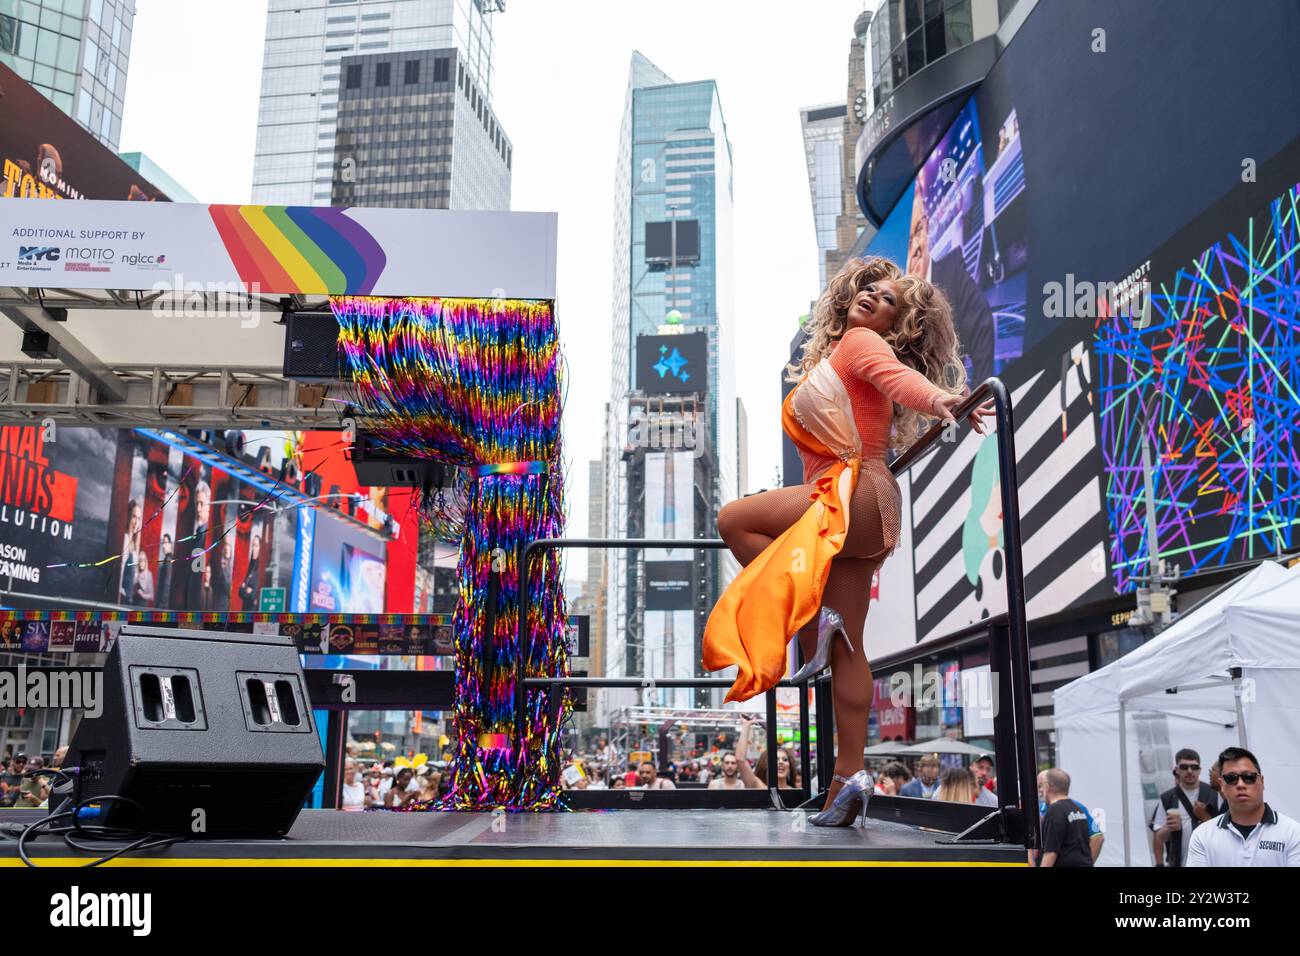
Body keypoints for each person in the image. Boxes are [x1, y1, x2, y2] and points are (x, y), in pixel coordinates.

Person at [704, 256, 992, 828]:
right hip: (870, 512)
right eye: (868, 289)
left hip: (852, 495)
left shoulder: (862, 343)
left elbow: (897, 378)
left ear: (897, 323)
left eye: (888, 300)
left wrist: (940, 400)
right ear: (849, 295)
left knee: (734, 518)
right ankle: (848, 777)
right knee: (849, 649)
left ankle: (809, 612)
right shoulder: (846, 352)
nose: (872, 299)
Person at [906, 184, 996, 385]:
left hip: (951, 407)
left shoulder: (952, 272)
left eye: (918, 231)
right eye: (907, 241)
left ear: (927, 226)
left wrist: (980, 397)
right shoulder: (893, 302)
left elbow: (983, 325)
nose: (915, 248)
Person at [1188, 747, 1300, 867]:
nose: (1240, 784)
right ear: (1221, 785)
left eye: (1248, 777)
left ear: (1262, 782)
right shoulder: (1202, 835)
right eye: (1231, 778)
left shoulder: (1292, 832)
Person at [1151, 748, 1221, 867]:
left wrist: (1205, 817)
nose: (1189, 771)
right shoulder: (1167, 798)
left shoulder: (1215, 794)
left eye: (1194, 767)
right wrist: (1169, 828)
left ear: (1200, 770)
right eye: (1184, 767)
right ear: (1177, 770)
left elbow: (1225, 831)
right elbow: (1158, 837)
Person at [1035, 770, 1104, 864]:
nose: (1040, 790)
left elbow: (1051, 853)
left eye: (1041, 786)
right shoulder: (1078, 810)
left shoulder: (1055, 810)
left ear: (1047, 787)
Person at [156, 534, 174, 609]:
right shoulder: (167, 559)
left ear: (170, 545)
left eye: (166, 543)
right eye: (163, 543)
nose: (163, 546)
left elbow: (167, 584)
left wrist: (162, 604)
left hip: (163, 605)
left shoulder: (168, 559)